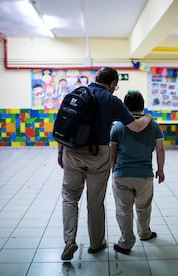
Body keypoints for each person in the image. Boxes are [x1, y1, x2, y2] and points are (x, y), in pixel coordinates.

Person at [57, 67, 153, 261]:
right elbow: (135, 127)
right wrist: (148, 117)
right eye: (115, 85)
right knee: (95, 201)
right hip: (98, 154)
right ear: (111, 83)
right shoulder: (111, 100)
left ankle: (69, 241)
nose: (115, 88)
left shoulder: (76, 93)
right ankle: (96, 243)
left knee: (70, 197)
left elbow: (63, 124)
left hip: (71, 151)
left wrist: (60, 153)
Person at [110, 91, 165, 255]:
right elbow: (160, 149)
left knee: (123, 209)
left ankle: (126, 243)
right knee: (143, 207)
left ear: (125, 106)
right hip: (144, 175)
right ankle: (145, 233)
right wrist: (160, 169)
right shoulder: (153, 125)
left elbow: (112, 153)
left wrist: (114, 170)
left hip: (122, 174)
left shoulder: (118, 126)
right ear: (142, 106)